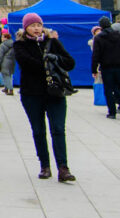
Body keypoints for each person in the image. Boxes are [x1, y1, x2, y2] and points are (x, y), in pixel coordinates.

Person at [12, 13, 77, 182]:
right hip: (31, 94)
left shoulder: (53, 42)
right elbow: (27, 63)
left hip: (55, 92)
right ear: (25, 27)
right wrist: (47, 63)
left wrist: (55, 58)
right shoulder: (20, 45)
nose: (36, 29)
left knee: (58, 129)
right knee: (39, 130)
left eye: (39, 25)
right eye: (32, 26)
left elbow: (70, 62)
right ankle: (45, 165)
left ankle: (63, 167)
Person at [91, 17, 120, 118]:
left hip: (107, 67)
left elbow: (96, 55)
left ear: (101, 26)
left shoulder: (98, 38)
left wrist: (94, 69)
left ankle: (112, 112)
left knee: (108, 89)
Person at [0, 28, 17, 96]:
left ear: (5, 38)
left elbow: (0, 55)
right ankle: (6, 87)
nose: (1, 38)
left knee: (5, 76)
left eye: (2, 37)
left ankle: (10, 89)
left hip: (5, 61)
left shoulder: (3, 45)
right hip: (12, 61)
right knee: (10, 75)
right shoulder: (13, 44)